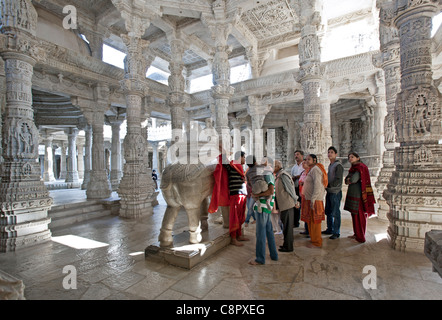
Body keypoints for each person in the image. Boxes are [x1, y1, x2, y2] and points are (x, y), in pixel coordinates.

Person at [248, 157, 278, 265]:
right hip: (265, 206)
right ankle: (274, 255)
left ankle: (260, 259)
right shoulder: (264, 174)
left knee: (260, 233)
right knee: (269, 231)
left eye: (263, 161)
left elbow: (270, 191)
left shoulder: (267, 174)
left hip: (264, 207)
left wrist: (256, 195)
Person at [344, 152, 376, 243]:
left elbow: (353, 179)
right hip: (354, 194)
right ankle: (356, 234)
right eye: (349, 157)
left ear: (358, 158)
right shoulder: (353, 168)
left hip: (359, 196)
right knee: (354, 215)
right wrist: (349, 179)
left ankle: (361, 237)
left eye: (352, 157)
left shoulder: (360, 168)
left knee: (360, 216)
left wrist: (349, 179)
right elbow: (346, 180)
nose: (350, 159)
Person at [301, 154, 328, 248]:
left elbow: (318, 185)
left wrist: (313, 198)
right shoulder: (312, 169)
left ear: (314, 160)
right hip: (310, 198)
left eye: (309, 159)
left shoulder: (316, 169)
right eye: (306, 159)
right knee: (310, 220)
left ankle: (317, 241)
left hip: (314, 199)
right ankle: (313, 239)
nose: (307, 161)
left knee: (315, 221)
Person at [224, 151, 249, 247]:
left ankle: (239, 235)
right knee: (234, 217)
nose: (245, 159)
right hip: (235, 195)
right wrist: (224, 151)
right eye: (244, 157)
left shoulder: (240, 168)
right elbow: (223, 161)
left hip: (242, 194)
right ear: (240, 157)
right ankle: (233, 238)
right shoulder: (232, 166)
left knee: (240, 216)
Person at [274, 160, 300, 252]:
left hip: (287, 204)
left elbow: (290, 189)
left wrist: (295, 200)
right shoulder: (279, 175)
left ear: (277, 167)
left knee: (288, 227)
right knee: (285, 227)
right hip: (283, 205)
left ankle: (288, 247)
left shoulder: (283, 175)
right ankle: (286, 244)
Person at [322, 147, 344, 239]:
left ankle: (336, 232)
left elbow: (338, 180)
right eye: (328, 152)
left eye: (332, 152)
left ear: (336, 154)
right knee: (328, 211)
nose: (330, 154)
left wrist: (328, 185)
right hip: (330, 191)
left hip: (335, 192)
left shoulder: (338, 165)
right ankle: (330, 228)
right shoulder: (331, 165)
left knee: (335, 212)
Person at [291, 150, 305, 230]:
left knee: (304, 206)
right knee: (296, 206)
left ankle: (306, 224)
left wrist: (299, 177)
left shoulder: (304, 165)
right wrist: (294, 178)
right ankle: (296, 222)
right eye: (295, 155)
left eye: (298, 154)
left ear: (302, 156)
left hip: (303, 189)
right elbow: (292, 177)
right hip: (296, 188)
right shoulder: (294, 167)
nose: (296, 156)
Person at [298, 158, 310, 237]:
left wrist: (304, 183)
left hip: (308, 195)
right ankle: (306, 229)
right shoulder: (303, 172)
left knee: (309, 213)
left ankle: (310, 230)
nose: (303, 164)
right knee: (304, 212)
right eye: (302, 163)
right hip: (302, 194)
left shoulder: (310, 172)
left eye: (304, 163)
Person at [244, 155, 257, 227]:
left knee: (250, 207)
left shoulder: (257, 170)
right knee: (250, 207)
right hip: (248, 191)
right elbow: (246, 180)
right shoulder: (248, 170)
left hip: (253, 192)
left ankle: (246, 221)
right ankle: (255, 218)